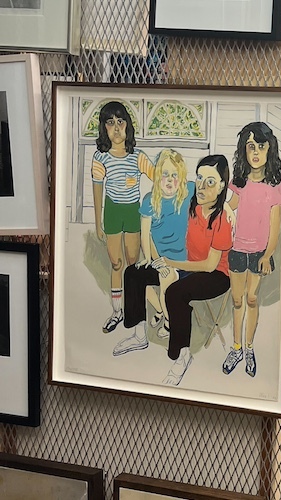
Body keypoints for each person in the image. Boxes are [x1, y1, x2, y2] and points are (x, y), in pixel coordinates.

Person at [114, 155, 233, 387]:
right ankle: (139, 336)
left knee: (176, 293)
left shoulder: (222, 220)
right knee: (133, 274)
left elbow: (210, 266)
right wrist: (162, 261)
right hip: (188, 264)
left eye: (210, 181)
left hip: (216, 275)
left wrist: (171, 264)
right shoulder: (192, 200)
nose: (201, 185)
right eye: (199, 178)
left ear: (221, 186)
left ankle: (182, 355)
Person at [112, 149, 193, 355]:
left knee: (167, 279)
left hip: (182, 262)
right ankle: (141, 334)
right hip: (160, 259)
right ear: (157, 176)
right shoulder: (150, 200)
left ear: (182, 177)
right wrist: (150, 259)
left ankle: (168, 321)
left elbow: (214, 198)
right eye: (165, 174)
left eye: (175, 175)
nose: (169, 180)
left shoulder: (189, 192)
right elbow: (145, 234)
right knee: (133, 275)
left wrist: (228, 210)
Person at [222, 122, 281, 378]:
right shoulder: (239, 183)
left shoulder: (274, 187)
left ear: (270, 149)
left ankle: (249, 348)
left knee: (252, 298)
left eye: (261, 146)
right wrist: (224, 208)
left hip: (259, 253)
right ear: (244, 151)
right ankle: (236, 347)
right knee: (237, 301)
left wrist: (269, 255)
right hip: (236, 250)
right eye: (251, 147)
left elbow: (275, 225)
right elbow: (231, 206)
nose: (256, 152)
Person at [92, 100, 155, 333]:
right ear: (104, 128)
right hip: (112, 211)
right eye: (110, 123)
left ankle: (134, 310)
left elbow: (157, 176)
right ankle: (117, 311)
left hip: (132, 211)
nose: (116, 128)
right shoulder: (100, 157)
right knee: (116, 263)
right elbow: (97, 189)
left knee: (132, 263)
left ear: (128, 125)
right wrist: (98, 222)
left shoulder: (137, 156)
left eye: (121, 122)